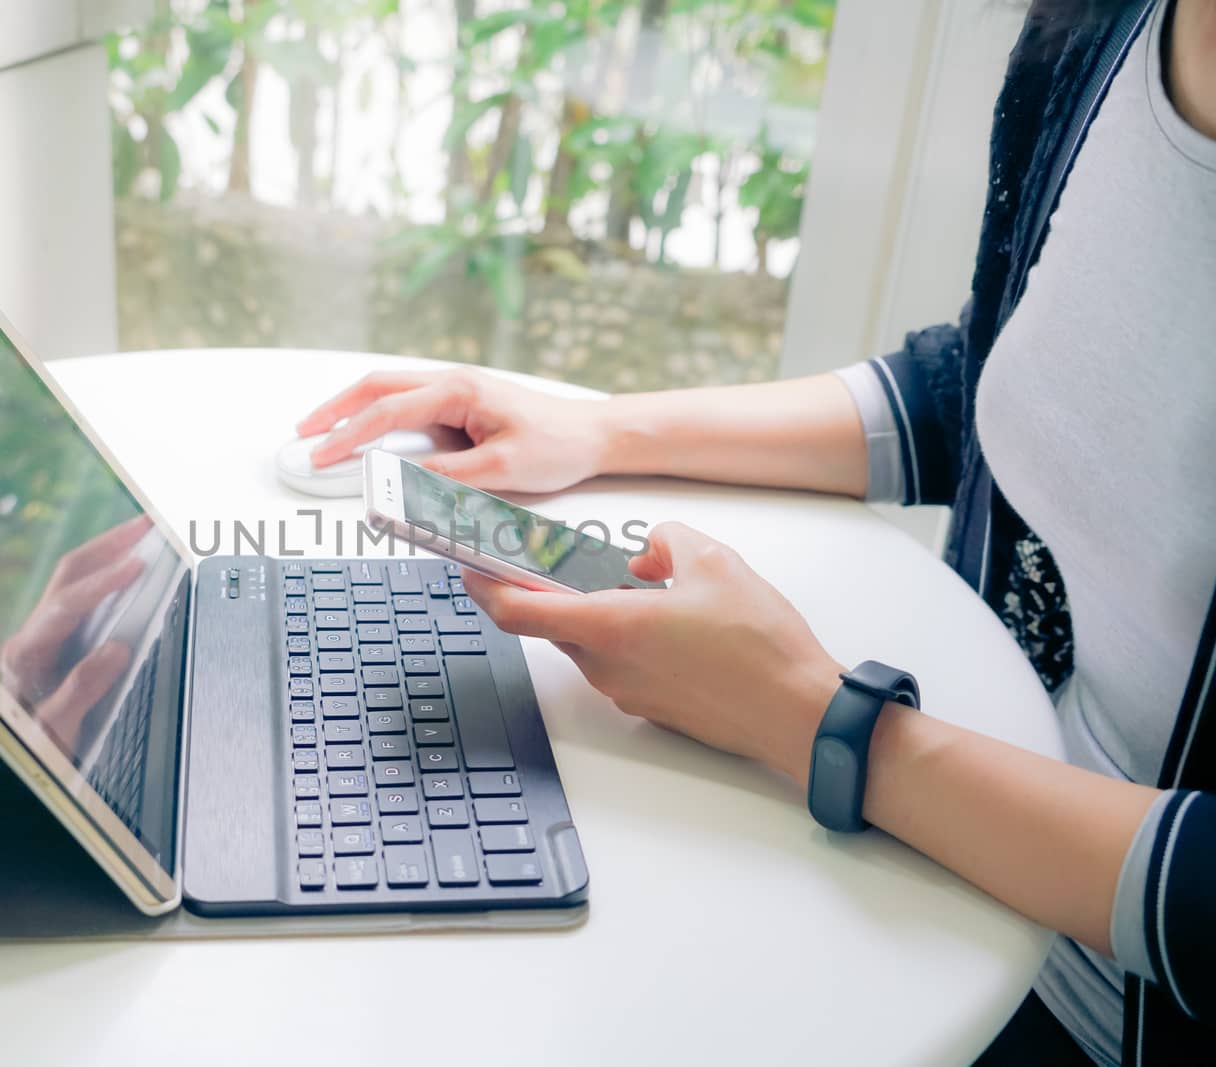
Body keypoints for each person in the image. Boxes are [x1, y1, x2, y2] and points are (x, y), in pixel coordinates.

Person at [297, 1, 1213, 1062]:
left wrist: (801, 714)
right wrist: (597, 429)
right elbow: (1006, 380)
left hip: (1089, 1005)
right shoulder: (1107, 28)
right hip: (940, 861)